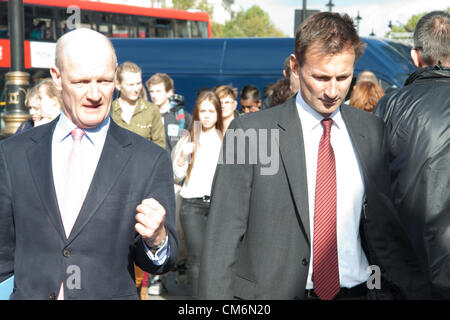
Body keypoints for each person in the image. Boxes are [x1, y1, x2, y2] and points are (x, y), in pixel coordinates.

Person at [198, 12, 430, 300]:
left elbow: (386, 229)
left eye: (343, 77)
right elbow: (223, 234)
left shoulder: (372, 131)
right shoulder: (251, 131)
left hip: (358, 292)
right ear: (295, 66)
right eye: (321, 77)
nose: (333, 91)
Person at [0, 28, 178, 300]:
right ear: (57, 78)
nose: (95, 94)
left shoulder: (149, 159)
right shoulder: (14, 154)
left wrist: (156, 239)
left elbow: (162, 261)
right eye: (82, 82)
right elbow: (3, 254)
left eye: (105, 81)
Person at [373, 11, 450, 298]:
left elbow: (372, 183)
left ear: (415, 56)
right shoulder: (391, 105)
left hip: (404, 263)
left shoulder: (390, 105)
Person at [172, 90, 224, 298]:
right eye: (203, 110)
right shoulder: (188, 137)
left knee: (218, 257)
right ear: (197, 112)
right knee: (197, 259)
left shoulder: (226, 139)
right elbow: (177, 176)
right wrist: (183, 156)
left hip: (218, 205)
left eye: (211, 111)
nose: (207, 115)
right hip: (191, 205)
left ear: (218, 113)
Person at [111, 62, 166, 149]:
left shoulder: (151, 110)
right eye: (131, 85)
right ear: (118, 85)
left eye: (138, 83)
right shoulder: (109, 110)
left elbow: (160, 147)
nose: (136, 89)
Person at [146, 73, 192, 154]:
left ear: (169, 93)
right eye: (151, 91)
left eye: (158, 91)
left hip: (175, 164)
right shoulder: (146, 115)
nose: (154, 95)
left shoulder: (183, 117)